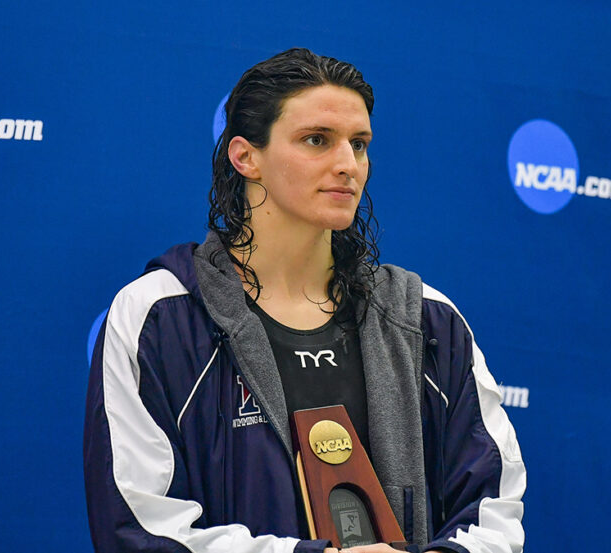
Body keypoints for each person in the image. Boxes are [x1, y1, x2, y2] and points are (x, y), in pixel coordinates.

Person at [84, 48, 525, 553]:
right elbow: (140, 528)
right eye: (317, 140)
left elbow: (495, 512)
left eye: (359, 144)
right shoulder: (160, 316)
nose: (347, 165)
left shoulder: (427, 320)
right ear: (245, 157)